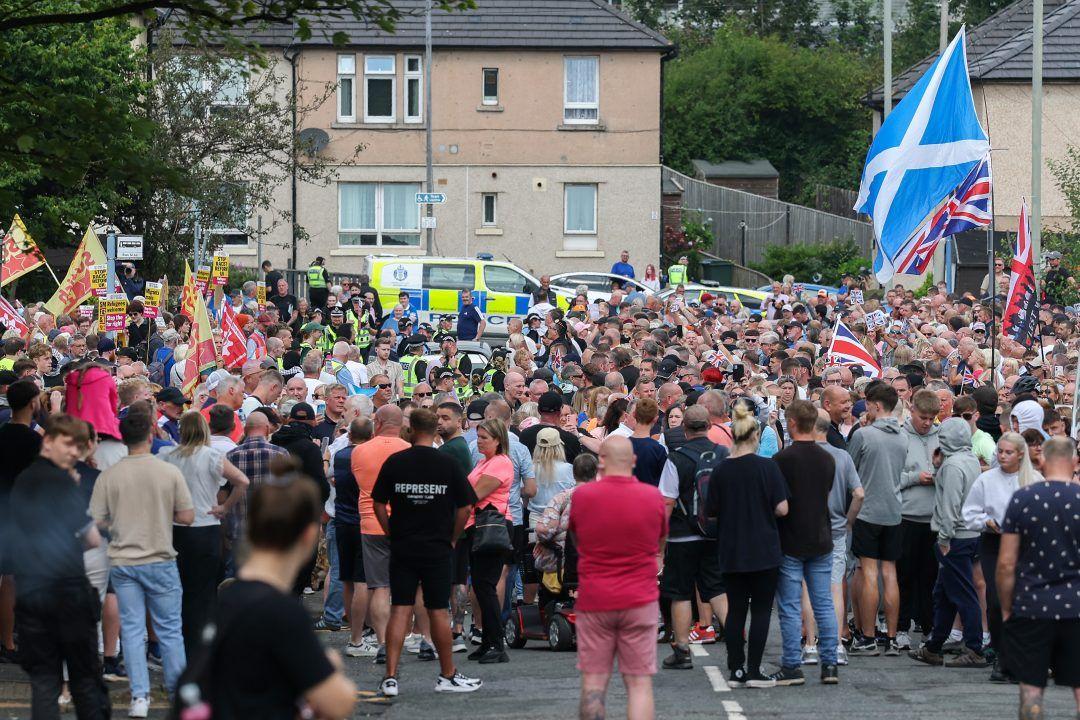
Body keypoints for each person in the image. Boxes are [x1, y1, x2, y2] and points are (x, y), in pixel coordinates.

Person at [187, 457, 358, 720]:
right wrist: (330, 664)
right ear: (309, 535)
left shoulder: (226, 597)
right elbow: (339, 702)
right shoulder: (281, 611)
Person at [89, 411, 194, 718]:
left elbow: (97, 520)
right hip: (160, 557)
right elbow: (187, 516)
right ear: (151, 435)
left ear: (122, 438)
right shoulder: (168, 472)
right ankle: (177, 694)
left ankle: (139, 697)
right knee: (170, 630)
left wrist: (118, 523)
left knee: (132, 631)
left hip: (123, 560)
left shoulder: (109, 475)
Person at [372, 408, 482, 696]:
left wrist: (389, 531)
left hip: (403, 544)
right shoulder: (447, 463)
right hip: (437, 545)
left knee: (400, 608)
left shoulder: (395, 462)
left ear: (411, 431)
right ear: (434, 432)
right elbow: (466, 506)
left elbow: (378, 503)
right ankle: (447, 674)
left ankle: (390, 677)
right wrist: (453, 537)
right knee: (438, 611)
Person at [10, 414, 110, 719]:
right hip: (69, 591)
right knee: (85, 680)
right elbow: (92, 539)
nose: (73, 452)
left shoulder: (23, 480)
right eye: (68, 444)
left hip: (31, 592)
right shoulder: (63, 482)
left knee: (44, 681)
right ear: (48, 441)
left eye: (78, 446)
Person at [569, 436, 667, 720]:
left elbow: (576, 538)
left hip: (595, 597)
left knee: (594, 682)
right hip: (639, 598)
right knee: (639, 684)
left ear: (601, 461)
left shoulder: (583, 497)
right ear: (633, 461)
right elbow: (659, 542)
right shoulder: (652, 497)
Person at [705, 402, 789, 688]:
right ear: (755, 436)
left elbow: (711, 510)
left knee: (736, 609)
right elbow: (783, 509)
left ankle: (736, 669)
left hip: (731, 546)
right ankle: (754, 669)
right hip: (764, 546)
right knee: (762, 610)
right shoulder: (768, 467)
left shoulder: (721, 470)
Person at [997, 436, 1080, 719]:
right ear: (1075, 461)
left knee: (1031, 689)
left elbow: (1006, 564)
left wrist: (1006, 606)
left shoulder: (1023, 498)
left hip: (1032, 604)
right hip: (1076, 606)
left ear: (1041, 460)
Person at [160, 411, 250, 655]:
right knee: (204, 591)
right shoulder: (211, 456)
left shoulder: (168, 455)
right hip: (206, 526)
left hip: (176, 528)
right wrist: (225, 507)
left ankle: (180, 645)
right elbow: (242, 481)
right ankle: (202, 644)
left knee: (178, 588)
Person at [771, 400, 839, 685]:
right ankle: (830, 664)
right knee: (823, 603)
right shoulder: (827, 459)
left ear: (792, 423)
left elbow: (778, 502)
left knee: (789, 606)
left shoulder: (782, 460)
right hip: (821, 536)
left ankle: (791, 665)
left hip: (790, 538)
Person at [910, 417, 987, 668]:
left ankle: (974, 648)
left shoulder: (953, 465)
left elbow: (950, 503)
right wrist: (938, 467)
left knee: (962, 594)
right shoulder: (970, 459)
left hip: (955, 537)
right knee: (943, 593)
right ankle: (934, 647)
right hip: (970, 534)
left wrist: (944, 537)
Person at [961, 432, 1038, 683]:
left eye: (1008, 452)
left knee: (1022, 600)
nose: (1002, 456)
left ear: (1020, 455)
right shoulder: (986, 479)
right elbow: (969, 513)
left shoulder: (1034, 480)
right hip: (994, 542)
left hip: (1025, 545)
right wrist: (986, 522)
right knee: (995, 600)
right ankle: (1001, 655)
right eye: (1000, 451)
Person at [658, 405, 728, 669]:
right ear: (709, 426)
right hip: (714, 533)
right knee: (717, 589)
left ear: (684, 429)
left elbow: (666, 502)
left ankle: (682, 650)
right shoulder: (723, 454)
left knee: (680, 592)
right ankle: (736, 641)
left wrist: (660, 544)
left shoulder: (676, 458)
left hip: (682, 535)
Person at [846, 382, 907, 655]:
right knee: (889, 573)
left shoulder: (864, 435)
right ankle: (892, 638)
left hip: (868, 510)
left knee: (869, 571)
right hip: (894, 510)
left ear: (877, 405)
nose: (866, 408)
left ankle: (868, 636)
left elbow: (850, 470)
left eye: (869, 404)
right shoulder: (903, 436)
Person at [350, 405, 410, 663]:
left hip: (372, 522)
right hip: (404, 523)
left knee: (380, 587)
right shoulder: (409, 450)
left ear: (378, 422)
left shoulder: (360, 451)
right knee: (408, 585)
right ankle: (409, 635)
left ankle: (384, 642)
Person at [814, 411, 863, 667]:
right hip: (836, 528)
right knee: (835, 586)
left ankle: (809, 643)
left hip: (807, 529)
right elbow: (859, 493)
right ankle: (835, 645)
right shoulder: (842, 456)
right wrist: (848, 521)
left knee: (807, 586)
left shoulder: (802, 454)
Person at [896, 389, 942, 651]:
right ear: (911, 410)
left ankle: (929, 627)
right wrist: (916, 477)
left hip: (934, 518)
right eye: (922, 417)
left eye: (931, 418)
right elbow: (892, 476)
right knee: (904, 575)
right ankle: (901, 627)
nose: (926, 423)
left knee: (930, 577)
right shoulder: (900, 437)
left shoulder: (940, 436)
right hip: (907, 516)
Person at [466, 418, 514, 663]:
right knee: (481, 585)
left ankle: (495, 643)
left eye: (484, 437)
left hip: (491, 526)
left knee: (485, 586)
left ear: (498, 440)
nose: (479, 441)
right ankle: (488, 642)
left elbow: (474, 494)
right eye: (478, 436)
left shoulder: (500, 463)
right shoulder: (484, 462)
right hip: (479, 525)